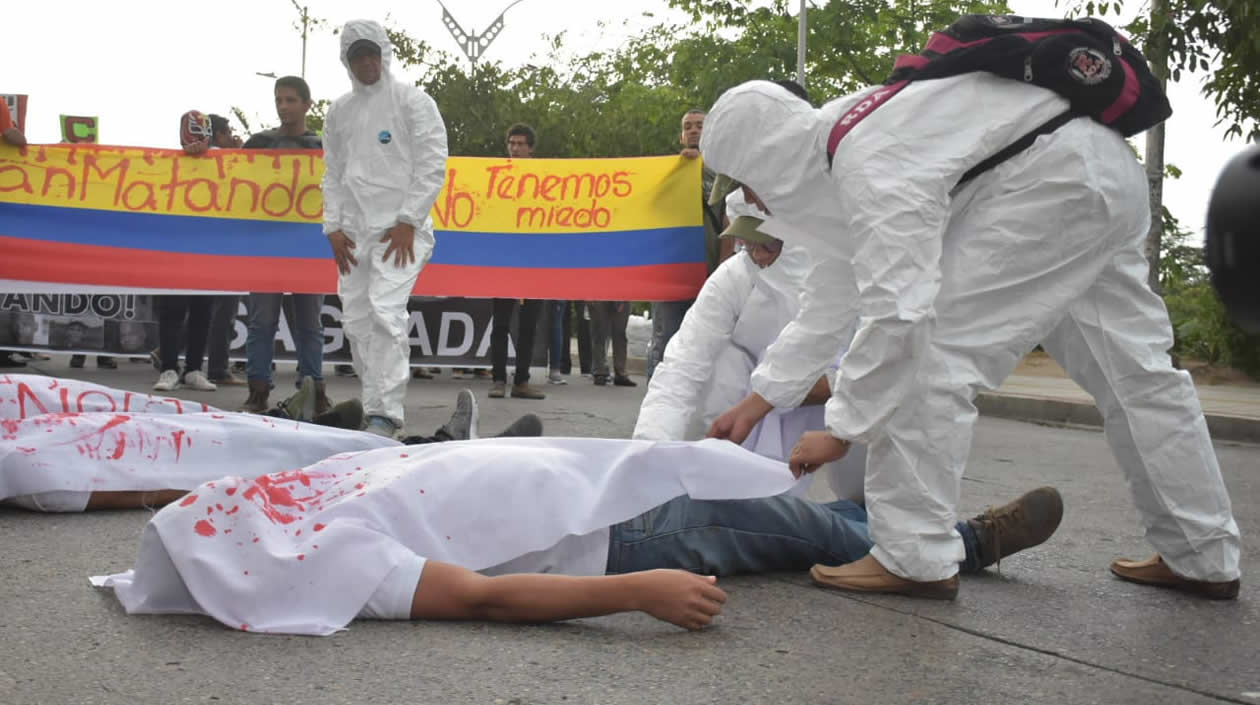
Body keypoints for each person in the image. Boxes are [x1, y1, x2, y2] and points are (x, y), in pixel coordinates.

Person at [699, 76, 1242, 600]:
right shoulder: (842, 145)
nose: (750, 198)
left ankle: (913, 558)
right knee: (1138, 379)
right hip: (1097, 174)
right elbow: (831, 297)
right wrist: (760, 400)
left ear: (766, 161)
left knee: (932, 354)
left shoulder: (863, 162)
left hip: (1047, 186)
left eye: (744, 179)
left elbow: (898, 315)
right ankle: (1201, 553)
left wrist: (841, 431)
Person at [91, 429, 1063, 635]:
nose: (232, 505)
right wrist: (633, 594)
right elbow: (480, 597)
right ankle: (963, 546)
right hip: (620, 539)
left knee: (791, 521)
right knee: (791, 527)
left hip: (596, 477)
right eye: (216, 525)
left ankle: (928, 537)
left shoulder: (301, 504)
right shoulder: (333, 565)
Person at [0, 375, 538, 513]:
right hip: (54, 454)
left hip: (50, 423)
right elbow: (53, 486)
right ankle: (444, 453)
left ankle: (318, 428)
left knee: (256, 435)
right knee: (255, 452)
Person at [634, 197, 863, 502]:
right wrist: (650, 451)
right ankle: (727, 482)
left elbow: (883, 359)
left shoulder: (849, 275)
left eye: (767, 246)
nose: (756, 255)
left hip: (850, 396)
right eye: (748, 243)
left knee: (867, 481)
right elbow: (683, 363)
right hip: (755, 396)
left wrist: (829, 394)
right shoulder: (736, 276)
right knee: (723, 363)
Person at [322, 20, 449, 438]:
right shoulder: (339, 112)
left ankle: (386, 413)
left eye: (372, 53)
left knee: (385, 310)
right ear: (347, 61)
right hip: (354, 235)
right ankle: (372, 405)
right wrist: (333, 227)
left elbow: (432, 165)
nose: (366, 62)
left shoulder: (413, 101)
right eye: (357, 56)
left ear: (385, 53)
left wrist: (410, 220)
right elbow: (334, 174)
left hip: (401, 232)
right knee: (356, 320)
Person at [238, 78, 329, 415]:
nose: (283, 106)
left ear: (307, 104)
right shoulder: (258, 143)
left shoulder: (322, 147)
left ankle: (314, 389)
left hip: (309, 247)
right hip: (265, 246)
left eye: (291, 100)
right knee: (261, 322)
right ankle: (257, 390)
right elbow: (227, 178)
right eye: (279, 100)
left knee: (310, 324)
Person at [645, 108, 724, 381]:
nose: (693, 130)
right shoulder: (666, 174)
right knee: (666, 343)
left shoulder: (725, 173)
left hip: (711, 274)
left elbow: (730, 220)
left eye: (699, 126)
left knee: (708, 345)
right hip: (672, 276)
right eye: (688, 126)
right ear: (681, 136)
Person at [184, 113, 247, 388]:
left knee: (207, 308)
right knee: (223, 309)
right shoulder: (221, 160)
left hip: (208, 245)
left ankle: (167, 352)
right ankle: (218, 367)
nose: (231, 136)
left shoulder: (200, 160)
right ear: (217, 136)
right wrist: (239, 155)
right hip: (225, 247)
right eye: (227, 132)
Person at [487, 124, 546, 400]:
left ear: (531, 148)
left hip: (535, 263)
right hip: (503, 260)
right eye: (512, 143)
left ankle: (521, 381)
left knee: (529, 324)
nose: (515, 148)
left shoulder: (546, 178)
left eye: (521, 144)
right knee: (500, 323)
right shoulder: (496, 177)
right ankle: (498, 379)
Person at [586, 300, 634, 387]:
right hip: (598, 292)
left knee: (620, 334)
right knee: (599, 333)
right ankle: (599, 371)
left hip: (622, 291)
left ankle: (620, 372)